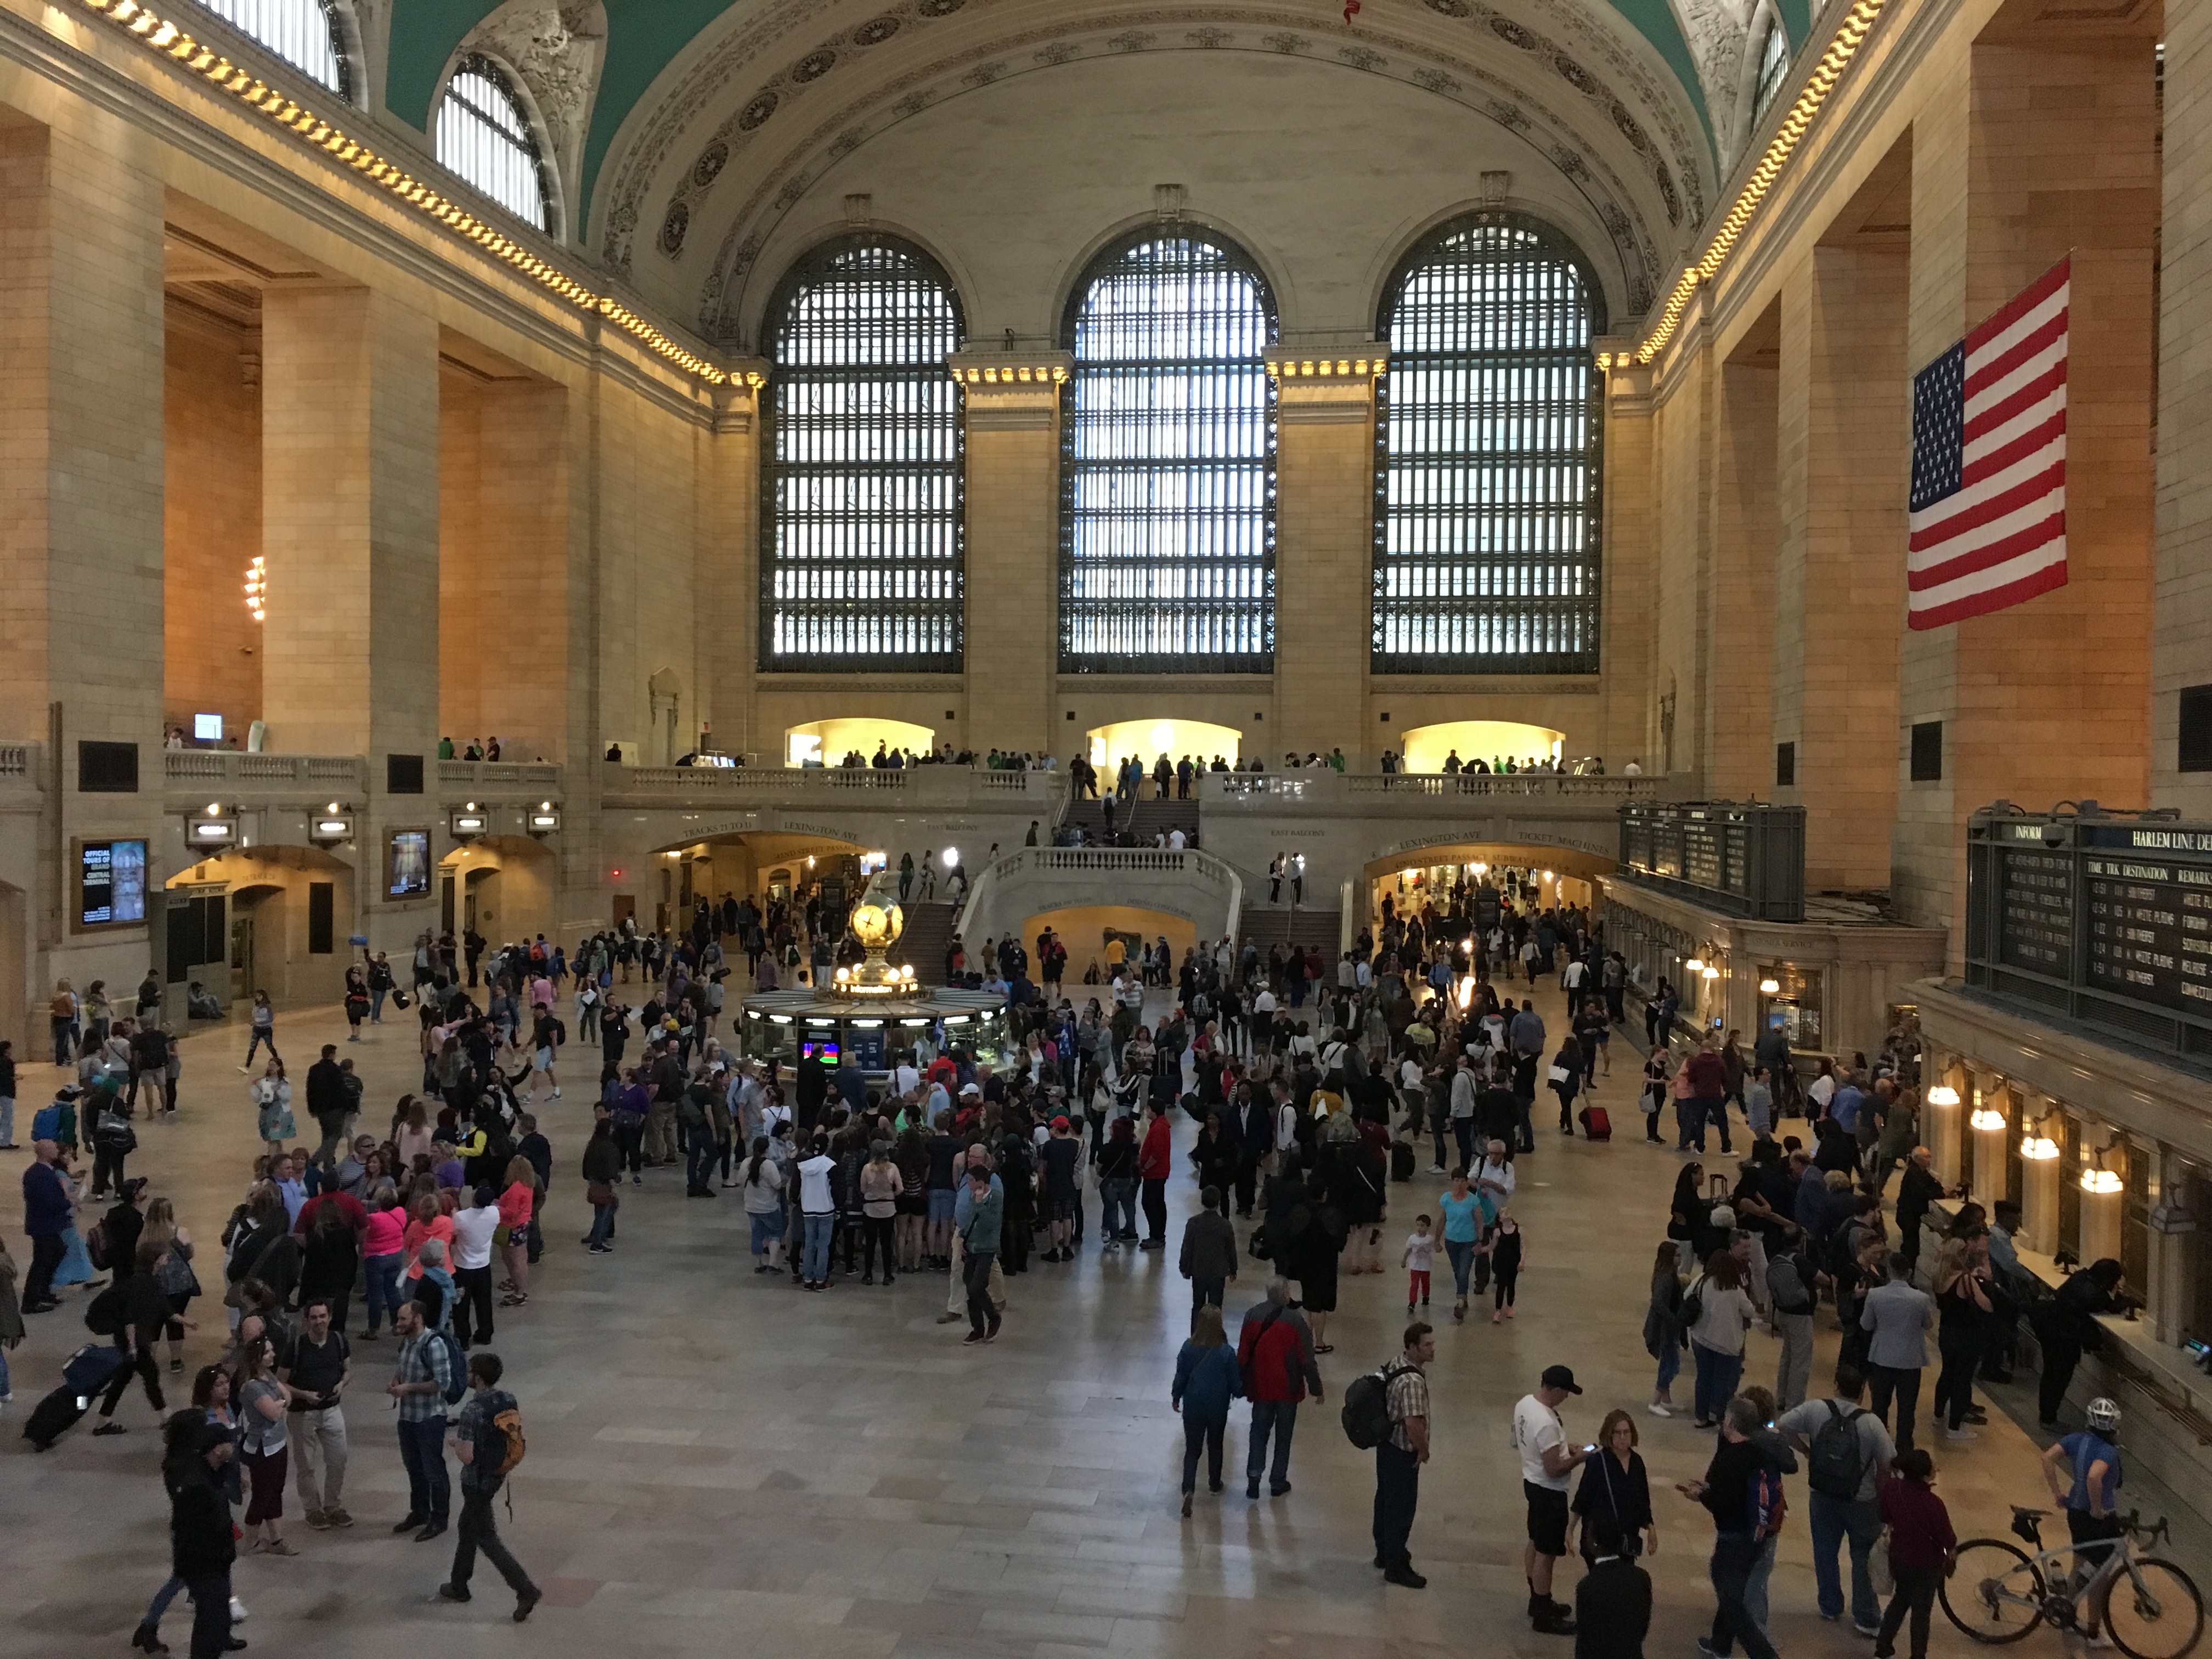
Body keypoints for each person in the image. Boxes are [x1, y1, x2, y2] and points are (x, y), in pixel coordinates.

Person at [1776, 1364, 1893, 1637]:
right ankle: (1866, 1617)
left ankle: (1830, 1606)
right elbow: (1886, 1464)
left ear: (1836, 1385)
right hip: (1862, 1500)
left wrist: (1806, 1450)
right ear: (1862, 1391)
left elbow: (1780, 1426)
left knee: (1825, 1551)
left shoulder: (1815, 1409)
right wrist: (1881, 1499)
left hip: (1823, 1495)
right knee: (1863, 1555)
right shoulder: (1872, 1423)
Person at [436, 1350, 540, 1619]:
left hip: (477, 1481)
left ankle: (525, 1589)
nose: (467, 1375)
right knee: (467, 1526)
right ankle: (459, 1584)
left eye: (470, 1371)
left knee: (485, 1536)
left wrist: (457, 1444)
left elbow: (467, 1457)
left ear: (478, 1377)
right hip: (497, 1474)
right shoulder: (507, 1399)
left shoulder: (473, 1410)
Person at [1683, 1397, 1785, 1659]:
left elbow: (1722, 1504)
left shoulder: (1729, 1459)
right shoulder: (1760, 1453)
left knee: (1732, 1602)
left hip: (1733, 1540)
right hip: (1757, 1537)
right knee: (1733, 1592)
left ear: (1730, 1422)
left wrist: (1700, 1495)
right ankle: (1720, 1644)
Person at [2041, 1396, 2126, 1646]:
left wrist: (2057, 1493)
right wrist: (2098, 1508)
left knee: (2079, 1565)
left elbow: (2047, 1458)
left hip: (2075, 1513)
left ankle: (2067, 1616)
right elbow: (2094, 1477)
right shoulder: (2108, 1451)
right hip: (2099, 1520)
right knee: (2100, 1575)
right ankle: (2093, 1633)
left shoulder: (2075, 1439)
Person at [1512, 1364, 1590, 1635]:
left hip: (1532, 1482)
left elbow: (1523, 1441)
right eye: (1566, 1392)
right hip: (1549, 1492)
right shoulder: (1546, 1422)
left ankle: (1537, 1600)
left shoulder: (1525, 1404)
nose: (1567, 1397)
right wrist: (1579, 1458)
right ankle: (1544, 1615)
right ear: (1556, 1390)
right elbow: (1554, 1469)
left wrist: (1563, 1448)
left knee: (1535, 1540)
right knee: (1546, 1554)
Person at [163, 1416, 243, 1659]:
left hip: (217, 1559)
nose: (233, 1446)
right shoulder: (195, 1484)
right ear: (217, 1449)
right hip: (203, 1564)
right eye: (228, 1443)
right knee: (210, 1619)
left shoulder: (212, 1471)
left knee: (218, 1616)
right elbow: (193, 1531)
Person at [1237, 1277, 1322, 1499]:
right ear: (1285, 1295)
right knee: (1284, 1436)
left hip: (1260, 1386)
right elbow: (1306, 1359)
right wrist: (1316, 1388)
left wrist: (1238, 1383)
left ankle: (1254, 1477)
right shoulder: (1296, 1321)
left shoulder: (1252, 1315)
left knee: (1258, 1432)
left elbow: (1243, 1354)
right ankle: (1277, 1481)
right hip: (1288, 1389)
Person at [1869, 1447, 1955, 1659]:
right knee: (1921, 1614)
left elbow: (1883, 1515)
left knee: (1900, 1602)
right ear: (1925, 1474)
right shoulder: (1934, 1504)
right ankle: (1918, 1656)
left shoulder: (1892, 1488)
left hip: (1899, 1558)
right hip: (1927, 1565)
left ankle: (1883, 1648)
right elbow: (1948, 1539)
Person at [1373, 1322, 1436, 1589]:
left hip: (1386, 1446)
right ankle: (1396, 1567)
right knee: (1401, 1510)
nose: (1433, 1349)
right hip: (1402, 1452)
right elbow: (1412, 1423)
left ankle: (1384, 1552)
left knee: (1385, 1500)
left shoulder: (1396, 1363)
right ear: (1412, 1347)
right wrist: (1424, 1450)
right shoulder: (1412, 1382)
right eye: (1427, 1345)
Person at [387, 1297, 454, 1540]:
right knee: (414, 1467)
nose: (398, 1323)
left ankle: (440, 1518)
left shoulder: (434, 1344)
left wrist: (409, 1388)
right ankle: (420, 1511)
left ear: (418, 1318)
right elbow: (404, 1367)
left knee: (433, 1470)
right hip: (408, 1417)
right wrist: (396, 1380)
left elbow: (442, 1383)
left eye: (403, 1319)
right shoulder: (407, 1341)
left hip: (429, 1418)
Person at [283, 1296, 352, 1529]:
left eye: (323, 1316)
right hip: (303, 1414)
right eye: (314, 1317)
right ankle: (312, 1509)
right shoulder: (296, 1347)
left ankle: (333, 1505)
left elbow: (347, 1370)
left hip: (332, 1410)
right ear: (306, 1320)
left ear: (330, 1318)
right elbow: (280, 1382)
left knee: (339, 1459)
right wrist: (304, 1395)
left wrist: (341, 1385)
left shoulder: (339, 1341)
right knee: (306, 1465)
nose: (319, 1321)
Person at [2033, 1258, 2124, 1427]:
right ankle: (2048, 1419)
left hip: (2049, 1326)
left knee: (2051, 1374)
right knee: (2058, 1377)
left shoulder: (2080, 1277)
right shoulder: (2095, 1294)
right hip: (2062, 1336)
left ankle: (2047, 1415)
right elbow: (2110, 1305)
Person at [1170, 1304, 1243, 1517]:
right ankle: (1214, 1482)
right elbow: (1236, 1385)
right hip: (1217, 1407)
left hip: (1193, 1405)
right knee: (1215, 1444)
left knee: (1192, 1449)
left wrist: (1176, 1397)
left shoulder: (1188, 1348)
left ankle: (1188, 1489)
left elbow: (1181, 1375)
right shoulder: (1226, 1352)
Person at [1860, 1251, 1934, 1453]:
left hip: (1882, 1357)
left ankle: (1878, 1446)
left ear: (1889, 1271)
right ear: (1909, 1272)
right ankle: (1904, 1449)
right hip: (1910, 1360)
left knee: (1880, 1405)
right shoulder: (1921, 1298)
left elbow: (1866, 1324)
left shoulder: (1875, 1295)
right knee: (1907, 1409)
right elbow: (1928, 1325)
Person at [234, 1334, 295, 1555]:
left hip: (278, 1443)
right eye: (267, 1352)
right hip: (263, 1448)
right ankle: (251, 1542)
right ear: (256, 1357)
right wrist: (280, 1403)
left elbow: (288, 1398)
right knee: (262, 1495)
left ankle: (277, 1540)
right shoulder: (251, 1386)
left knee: (275, 1492)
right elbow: (273, 1414)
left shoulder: (268, 1375)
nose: (273, 1355)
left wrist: (280, 1402)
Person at [1572, 1408, 1657, 1564]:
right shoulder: (1598, 1461)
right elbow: (1583, 1498)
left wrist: (1651, 1528)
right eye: (1617, 1433)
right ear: (1609, 1435)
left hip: (1626, 1541)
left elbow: (1643, 1500)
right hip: (1600, 1540)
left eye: (1626, 1432)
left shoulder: (1637, 1462)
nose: (1622, 1437)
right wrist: (1570, 1530)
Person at [1686, 1250, 1756, 1428]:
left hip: (1701, 1338)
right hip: (1727, 1342)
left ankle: (1700, 1417)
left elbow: (1686, 1296)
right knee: (1722, 1381)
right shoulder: (1735, 1290)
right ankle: (1718, 1416)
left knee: (1703, 1378)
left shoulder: (1701, 1280)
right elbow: (1750, 1311)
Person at [1575, 1519, 1654, 1659]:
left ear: (1593, 1543)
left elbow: (1585, 1639)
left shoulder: (1587, 1586)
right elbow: (1642, 1626)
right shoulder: (1641, 1577)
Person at [957, 1164, 1003, 1345]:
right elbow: (970, 1218)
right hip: (972, 1247)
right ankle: (977, 1328)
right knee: (969, 1285)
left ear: (981, 1182)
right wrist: (962, 1237)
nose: (968, 1183)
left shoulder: (995, 1197)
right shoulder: (972, 1196)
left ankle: (994, 1317)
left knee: (977, 1286)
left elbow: (989, 1223)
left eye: (971, 1180)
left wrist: (980, 1204)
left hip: (986, 1248)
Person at [1178, 1184, 1239, 1318]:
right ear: (1218, 1203)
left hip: (1198, 1271)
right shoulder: (1225, 1225)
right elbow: (1231, 1249)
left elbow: (1187, 1247)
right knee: (1216, 1307)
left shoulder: (1193, 1223)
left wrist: (1184, 1267)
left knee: (1198, 1306)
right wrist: (1233, 1269)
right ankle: (1214, 1330)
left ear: (1202, 1201)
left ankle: (1196, 1330)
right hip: (1218, 1273)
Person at [1403, 1213, 1435, 1317]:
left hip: (1425, 1266)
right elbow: (1408, 1250)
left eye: (1422, 1226)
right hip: (1415, 1266)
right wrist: (1404, 1259)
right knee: (1414, 1285)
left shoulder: (1430, 1239)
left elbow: (1434, 1248)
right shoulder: (1412, 1238)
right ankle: (1412, 1302)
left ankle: (1426, 1296)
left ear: (1428, 1227)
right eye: (1418, 1225)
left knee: (1425, 1283)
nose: (1420, 1228)